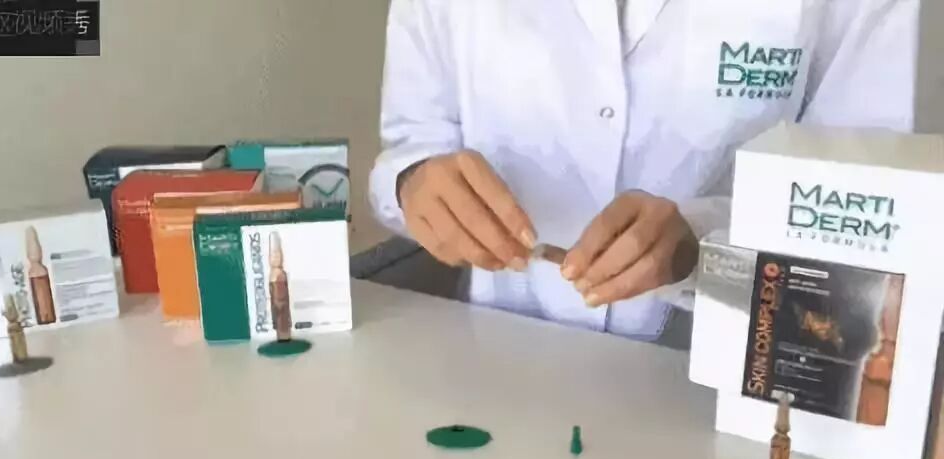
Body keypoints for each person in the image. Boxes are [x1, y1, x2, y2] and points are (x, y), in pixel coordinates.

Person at [368, 0, 920, 343]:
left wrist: (703, 245)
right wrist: (415, 184)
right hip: (500, 360)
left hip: (719, 380)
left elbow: (865, 204)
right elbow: (410, 149)